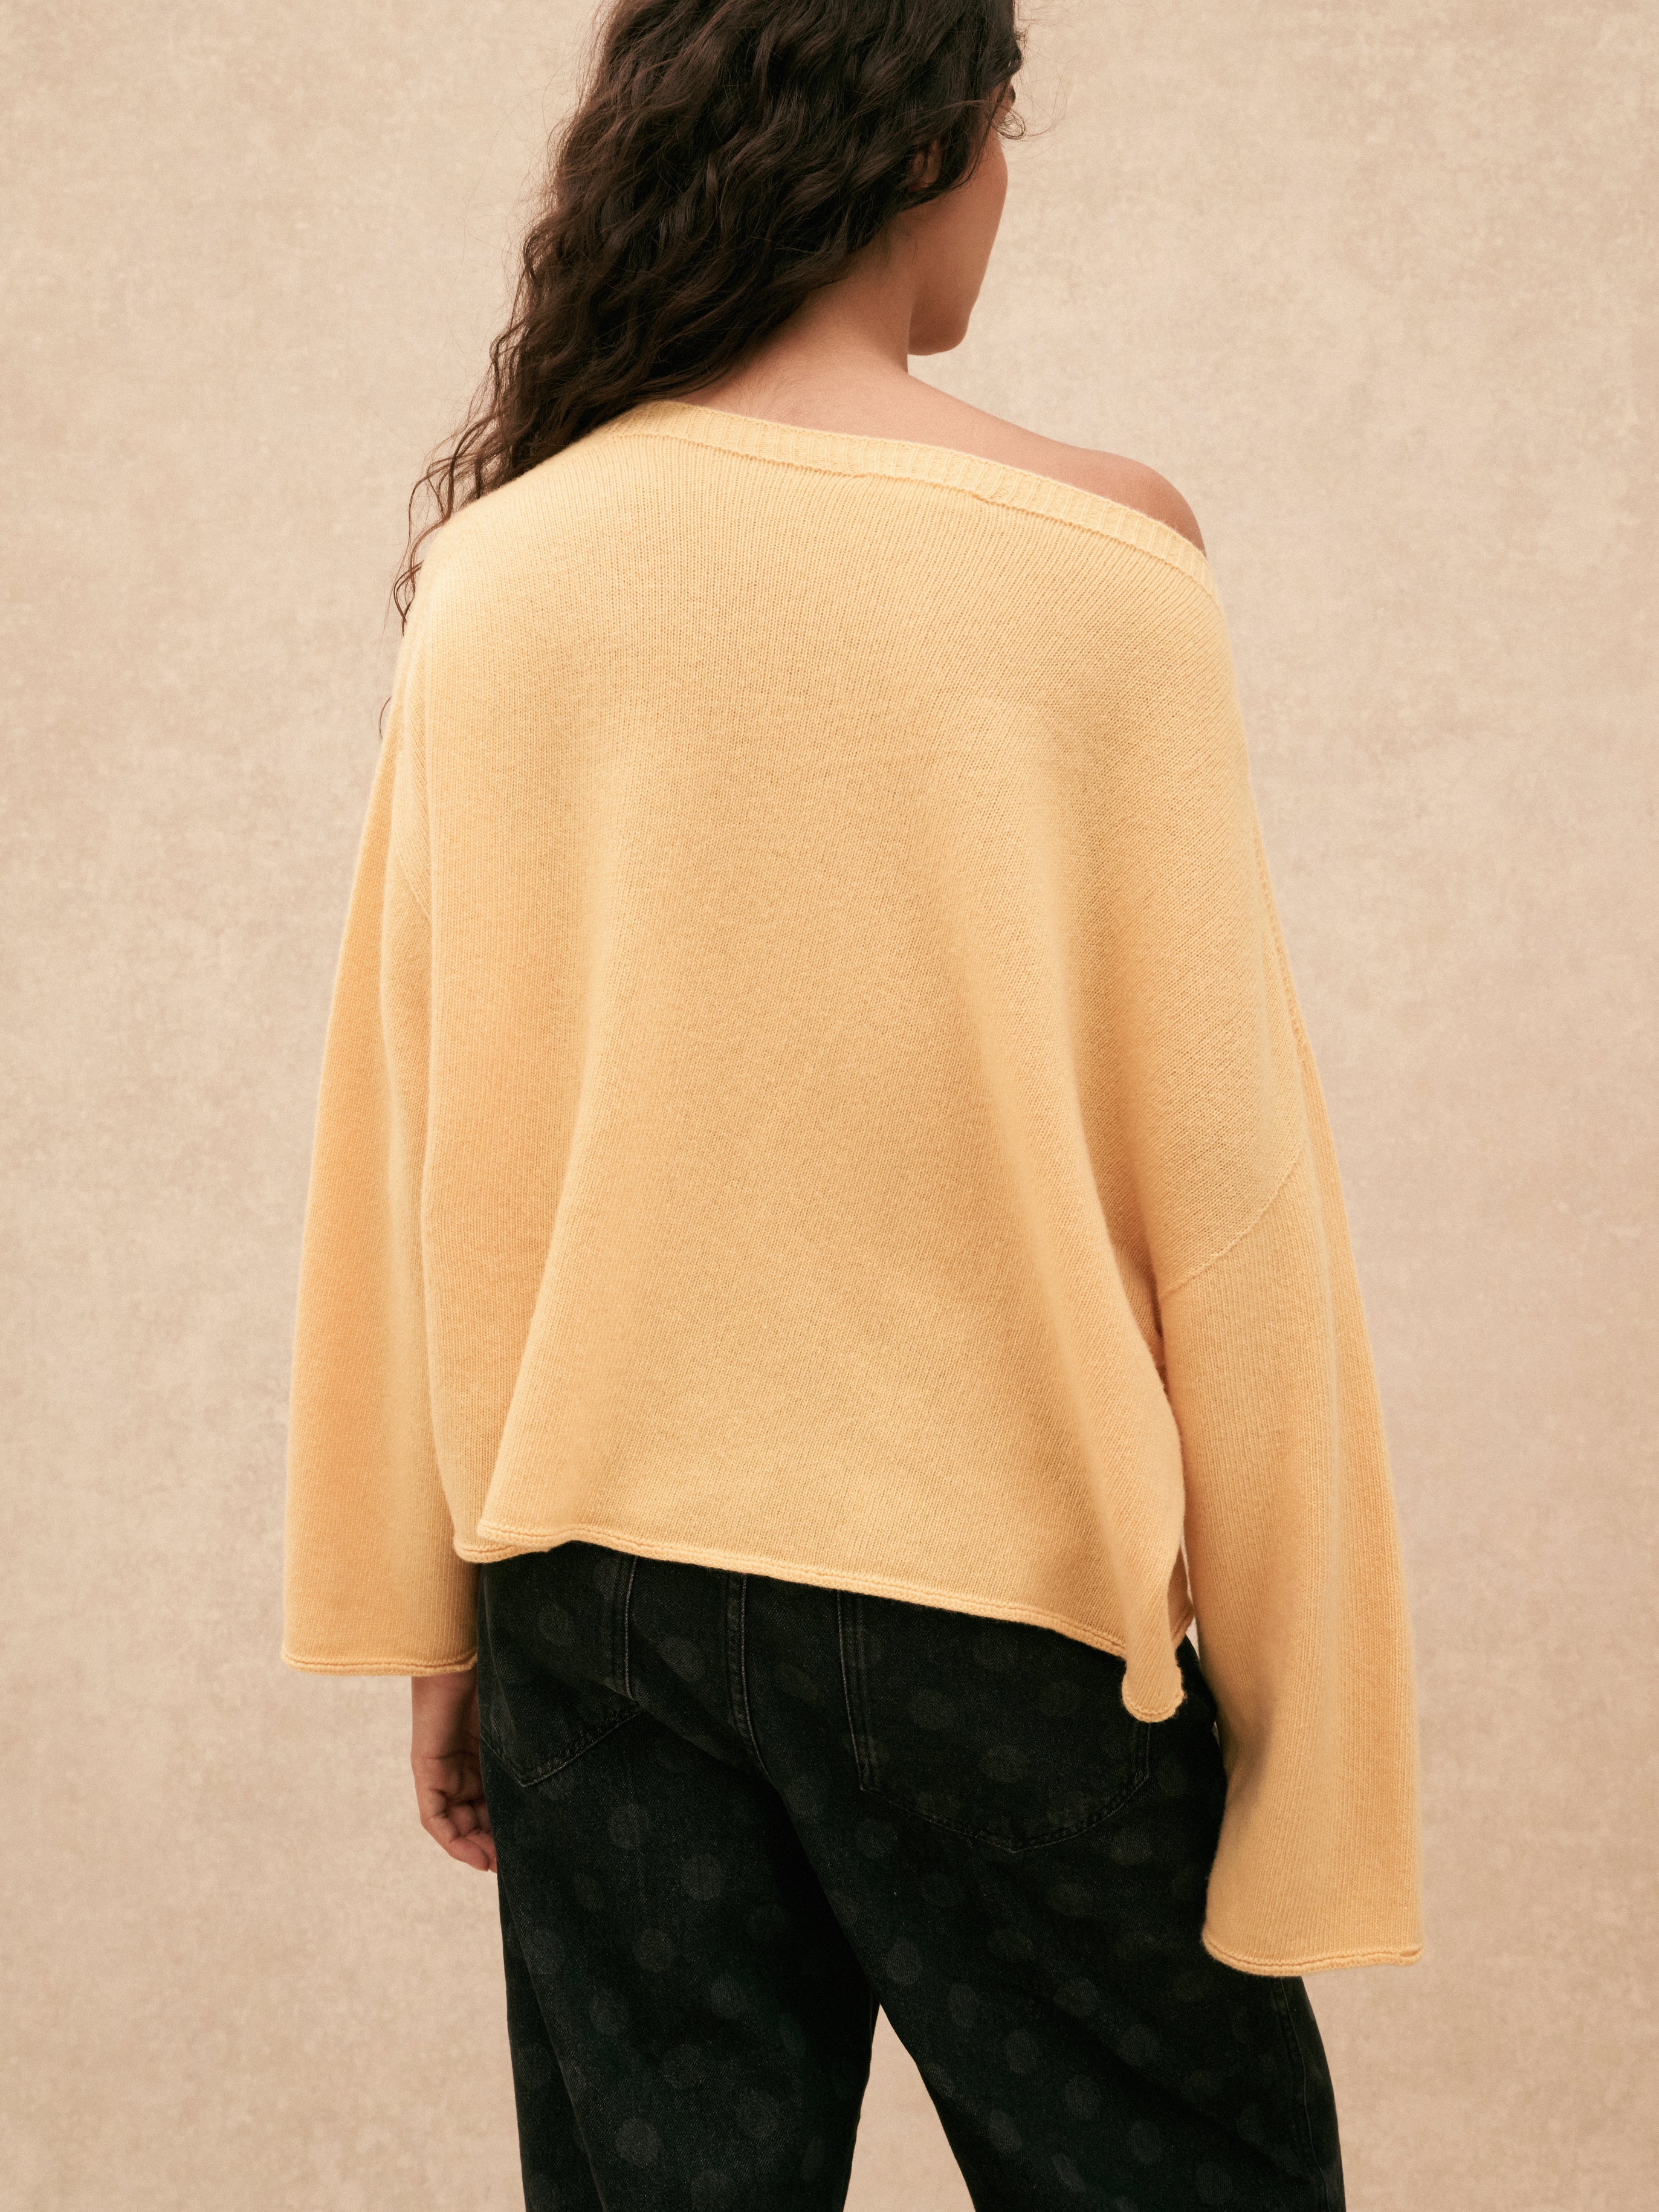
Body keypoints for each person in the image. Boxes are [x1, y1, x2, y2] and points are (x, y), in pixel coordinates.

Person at [282, 3, 1424, 2207]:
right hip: (991, 1596)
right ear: (921, 151)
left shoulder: (504, 571)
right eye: (1001, 137)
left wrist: (434, 1607)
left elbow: (414, 1125)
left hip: (591, 1584)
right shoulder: (1103, 561)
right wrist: (1311, 1723)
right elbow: (1228, 1174)